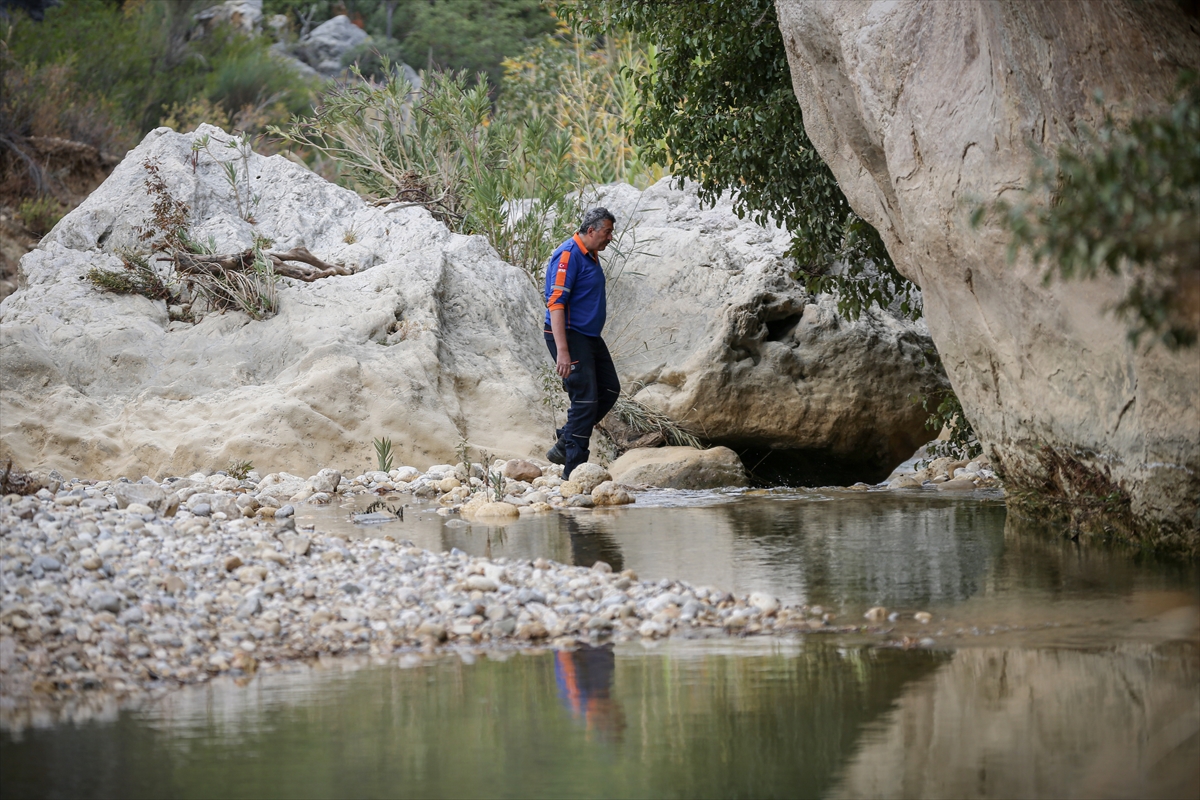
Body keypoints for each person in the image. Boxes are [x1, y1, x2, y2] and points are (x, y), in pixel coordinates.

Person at [543, 208, 620, 479]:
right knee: (585, 400)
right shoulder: (568, 255)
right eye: (607, 232)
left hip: (588, 337)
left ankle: (566, 440)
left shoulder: (591, 253)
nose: (611, 237)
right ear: (591, 231)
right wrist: (563, 351)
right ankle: (572, 471)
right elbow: (555, 303)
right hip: (568, 334)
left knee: (610, 389)